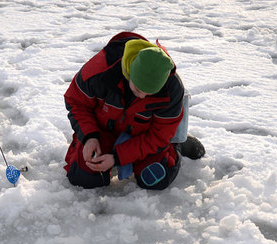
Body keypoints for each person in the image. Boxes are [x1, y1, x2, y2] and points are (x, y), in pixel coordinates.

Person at [63, 31, 205, 190]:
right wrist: (89, 136)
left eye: (150, 92)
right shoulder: (101, 70)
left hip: (143, 135)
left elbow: (158, 136)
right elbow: (76, 102)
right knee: (84, 178)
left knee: (154, 178)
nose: (143, 96)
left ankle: (177, 145)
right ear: (129, 73)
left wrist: (117, 157)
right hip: (104, 130)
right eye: (138, 89)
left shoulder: (172, 89)